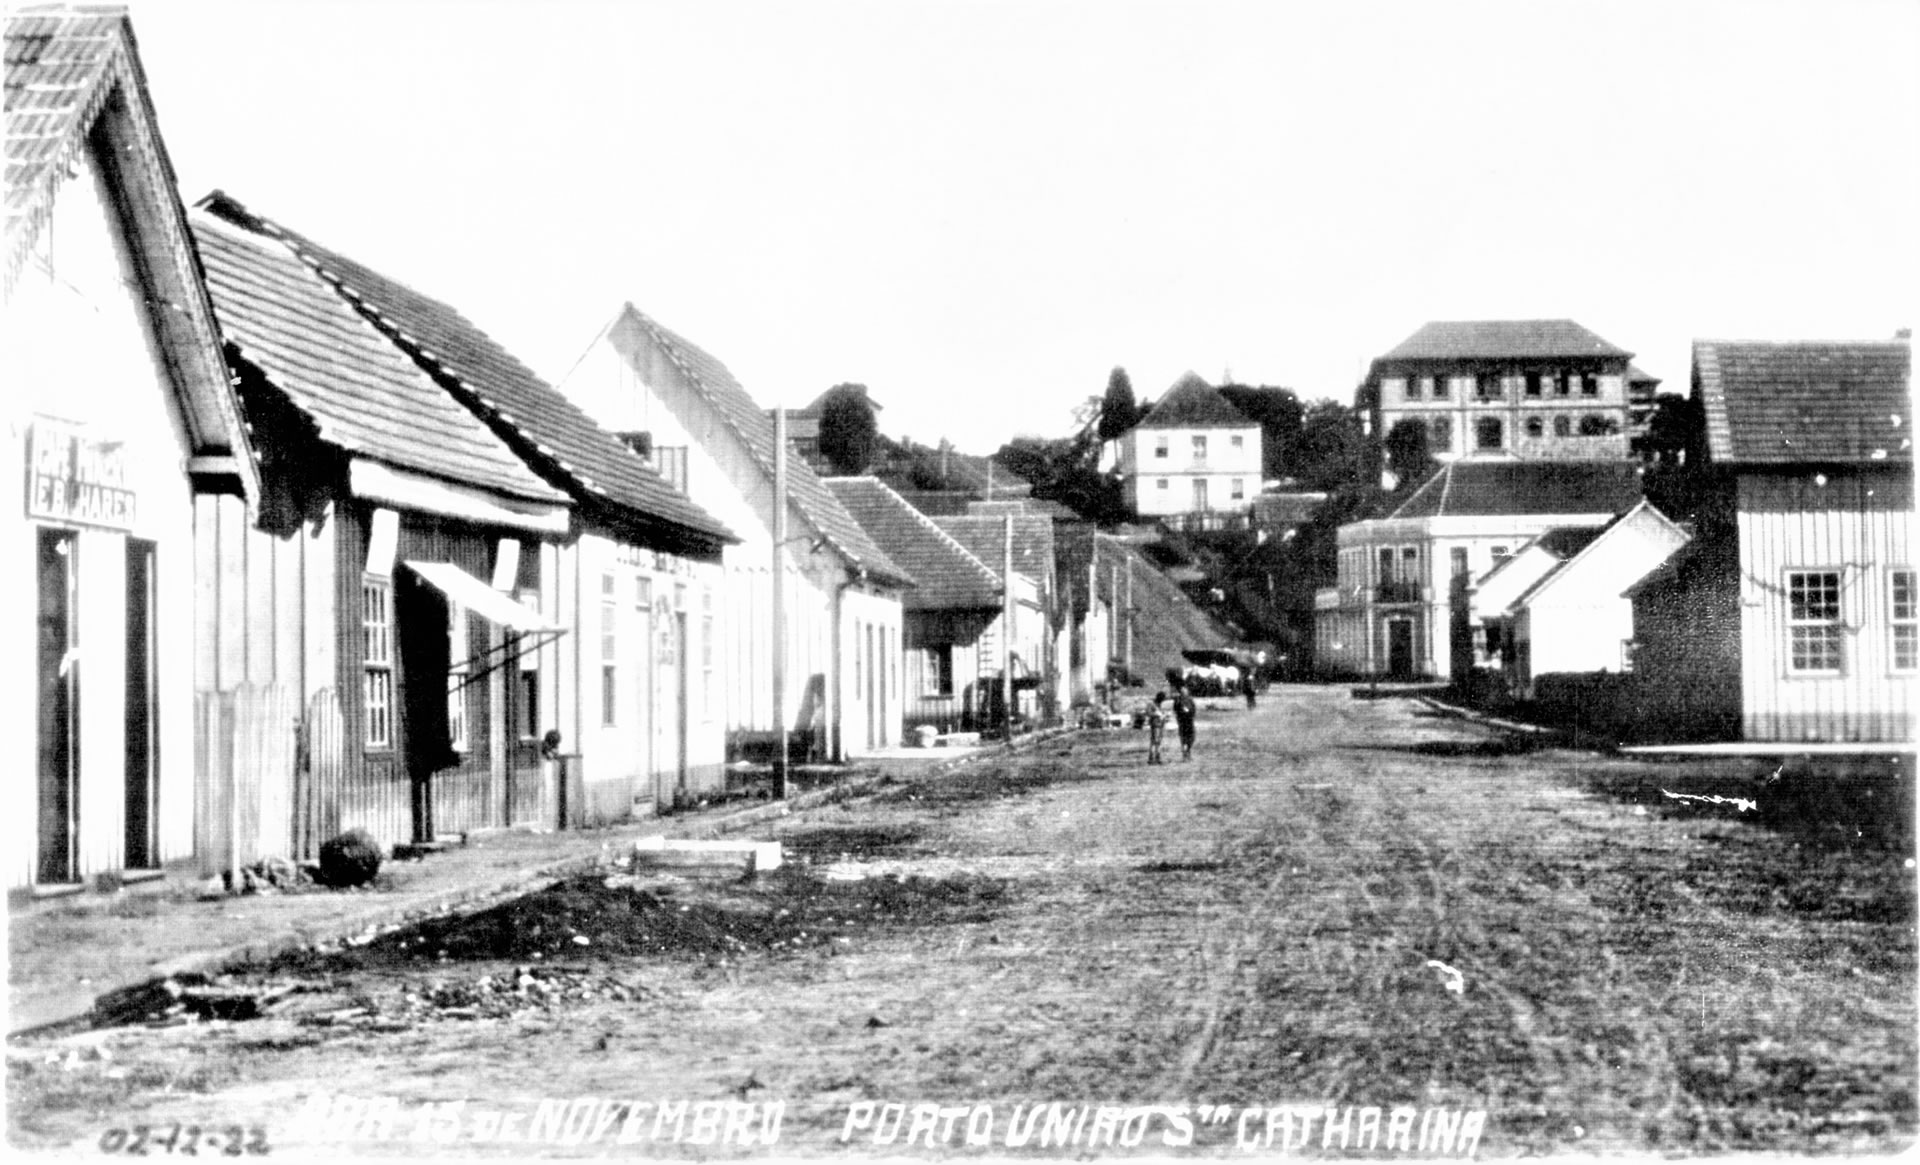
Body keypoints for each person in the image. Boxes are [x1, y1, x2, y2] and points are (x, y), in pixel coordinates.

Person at [1171, 683, 1198, 761]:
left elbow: (1194, 709)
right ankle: (1185, 755)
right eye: (1182, 691)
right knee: (1183, 739)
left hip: (1190, 721)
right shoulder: (1178, 700)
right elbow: (1175, 710)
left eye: (1185, 691)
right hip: (1182, 722)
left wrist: (1191, 714)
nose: (1184, 692)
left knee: (1192, 738)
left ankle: (1188, 751)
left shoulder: (1190, 700)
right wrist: (1181, 713)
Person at [1145, 692, 1168, 764]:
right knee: (1154, 741)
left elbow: (1161, 713)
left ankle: (1158, 757)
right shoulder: (1151, 704)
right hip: (1155, 725)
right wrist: (1156, 714)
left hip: (1161, 724)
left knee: (1159, 742)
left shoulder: (1159, 704)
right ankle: (1151, 758)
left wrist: (1164, 715)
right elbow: (1148, 713)